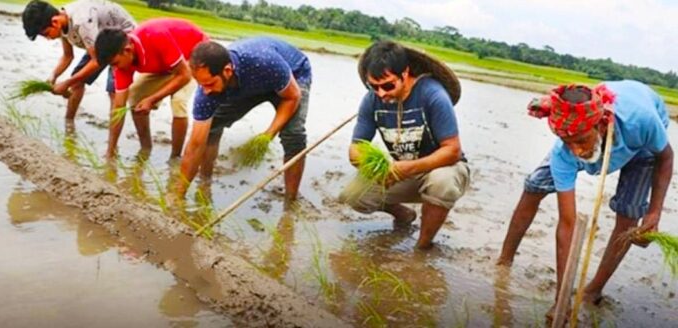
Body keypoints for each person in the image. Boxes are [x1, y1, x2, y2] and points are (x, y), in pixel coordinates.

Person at [497, 81, 673, 313]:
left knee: (629, 215)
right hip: (584, 129)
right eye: (568, 143)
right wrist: (562, 301)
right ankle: (504, 261)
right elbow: (567, 224)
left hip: (640, 147)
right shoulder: (565, 150)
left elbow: (666, 158)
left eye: (580, 141)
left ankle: (593, 290)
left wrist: (654, 212)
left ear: (600, 126)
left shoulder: (641, 121)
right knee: (534, 186)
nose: (576, 152)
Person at [339, 40, 469, 250]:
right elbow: (356, 147)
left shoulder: (433, 95)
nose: (381, 93)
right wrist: (369, 164)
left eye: (388, 85)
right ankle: (403, 214)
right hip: (402, 169)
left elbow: (452, 150)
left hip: (442, 168)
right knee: (353, 195)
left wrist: (407, 168)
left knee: (441, 182)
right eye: (374, 86)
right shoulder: (372, 100)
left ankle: (422, 245)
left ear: (405, 74)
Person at [175, 37, 312, 201]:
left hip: (293, 77)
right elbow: (195, 145)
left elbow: (292, 96)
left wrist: (268, 134)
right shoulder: (206, 91)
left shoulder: (263, 61)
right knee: (211, 128)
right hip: (247, 84)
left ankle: (290, 200)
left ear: (227, 71)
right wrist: (178, 195)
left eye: (210, 84)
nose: (206, 91)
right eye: (201, 84)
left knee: (294, 135)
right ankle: (205, 183)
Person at [94, 18, 207, 159]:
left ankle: (175, 157)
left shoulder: (155, 36)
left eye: (116, 63)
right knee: (135, 96)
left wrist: (152, 99)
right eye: (112, 65)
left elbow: (184, 75)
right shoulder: (122, 63)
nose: (115, 69)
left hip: (194, 56)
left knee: (178, 101)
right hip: (167, 63)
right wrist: (111, 151)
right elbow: (118, 107)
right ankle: (145, 149)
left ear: (127, 50)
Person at [21, 0, 136, 125]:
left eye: (46, 34)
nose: (48, 39)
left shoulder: (81, 22)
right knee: (77, 83)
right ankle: (69, 124)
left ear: (55, 22)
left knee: (114, 92)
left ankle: (113, 142)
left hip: (123, 40)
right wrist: (53, 77)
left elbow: (97, 60)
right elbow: (67, 56)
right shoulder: (63, 22)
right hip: (99, 41)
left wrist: (66, 83)